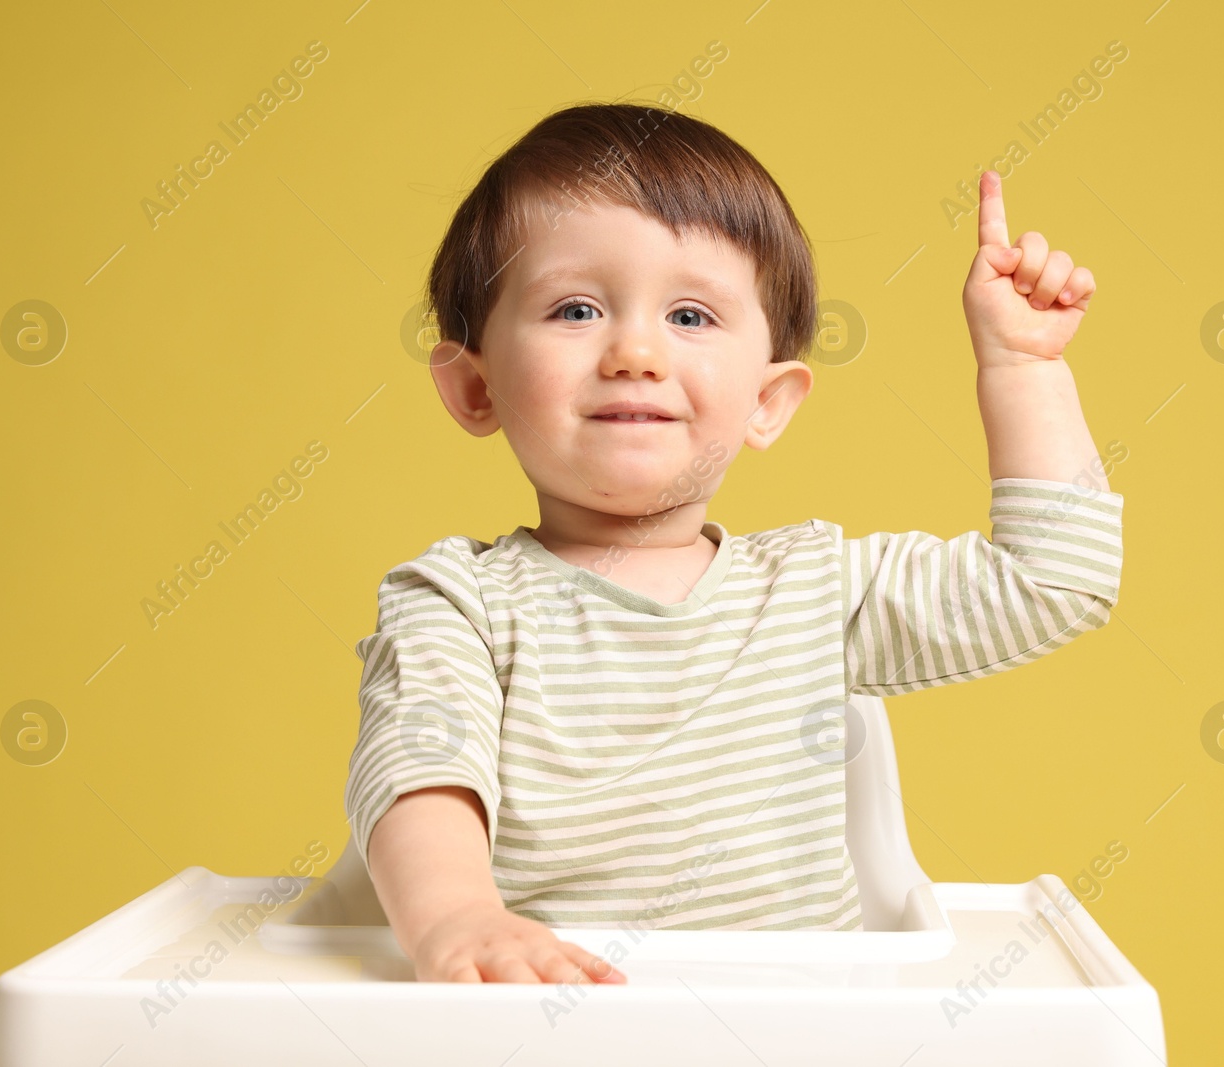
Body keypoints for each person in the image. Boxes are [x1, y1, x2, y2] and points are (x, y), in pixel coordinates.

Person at [343, 103, 1123, 987]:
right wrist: (457, 918)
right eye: (575, 307)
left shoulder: (816, 590)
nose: (634, 349)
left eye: (690, 316)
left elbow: (1053, 581)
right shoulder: (454, 604)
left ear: (768, 400)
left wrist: (1025, 370)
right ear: (476, 387)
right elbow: (421, 770)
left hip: (797, 1026)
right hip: (552, 1020)